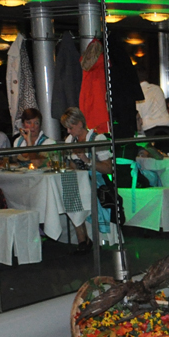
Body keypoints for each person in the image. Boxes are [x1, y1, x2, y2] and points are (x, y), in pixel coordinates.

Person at [60, 107, 113, 254]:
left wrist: (87, 160)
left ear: (80, 124)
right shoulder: (70, 140)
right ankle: (82, 238)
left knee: (77, 190)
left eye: (70, 127)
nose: (68, 131)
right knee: (68, 188)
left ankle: (90, 239)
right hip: (80, 181)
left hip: (96, 180)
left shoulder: (98, 139)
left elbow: (108, 169)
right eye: (67, 128)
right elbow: (72, 167)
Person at [137, 67, 169, 147]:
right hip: (166, 127)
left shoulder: (138, 92)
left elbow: (138, 114)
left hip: (150, 129)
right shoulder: (157, 88)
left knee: (152, 154)